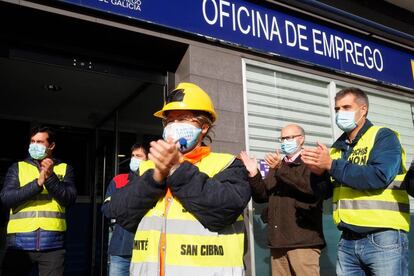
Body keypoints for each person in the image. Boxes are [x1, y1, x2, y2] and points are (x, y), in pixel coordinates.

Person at [105, 82, 251, 276]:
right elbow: (119, 212)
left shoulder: (227, 164)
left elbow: (224, 210)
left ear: (204, 127)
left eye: (182, 119)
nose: (174, 126)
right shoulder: (147, 168)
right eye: (169, 121)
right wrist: (156, 177)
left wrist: (176, 168)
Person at [301, 87, 409, 276]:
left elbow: (379, 176)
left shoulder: (383, 136)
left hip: (383, 236)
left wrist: (332, 166)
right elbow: (325, 193)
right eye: (337, 109)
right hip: (348, 240)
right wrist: (318, 173)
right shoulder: (337, 149)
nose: (340, 113)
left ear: (363, 109)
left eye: (346, 107)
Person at [240, 124, 327, 276]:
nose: (285, 141)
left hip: (303, 241)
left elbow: (309, 188)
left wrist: (280, 167)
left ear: (301, 139)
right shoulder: (278, 166)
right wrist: (254, 174)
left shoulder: (310, 161)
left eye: (289, 138)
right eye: (282, 138)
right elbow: (262, 197)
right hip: (278, 242)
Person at [0, 125, 77, 276]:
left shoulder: (64, 168)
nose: (34, 145)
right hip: (19, 246)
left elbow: (69, 198)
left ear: (52, 146)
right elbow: (6, 199)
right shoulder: (17, 168)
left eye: (40, 142)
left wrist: (50, 178)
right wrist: (37, 183)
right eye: (32, 141)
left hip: (53, 247)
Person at [102, 143, 148, 276]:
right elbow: (107, 210)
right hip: (120, 248)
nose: (134, 159)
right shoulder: (119, 180)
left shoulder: (155, 183)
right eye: (133, 155)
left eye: (139, 156)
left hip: (146, 251)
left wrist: (122, 207)